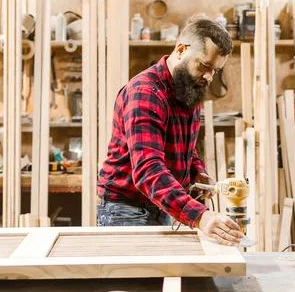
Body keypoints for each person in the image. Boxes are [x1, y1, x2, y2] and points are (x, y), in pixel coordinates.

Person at [97, 18, 244, 246]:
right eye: (204, 66)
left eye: (214, 70)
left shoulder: (188, 89)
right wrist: (201, 216)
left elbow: (185, 147)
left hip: (162, 205)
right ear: (181, 49)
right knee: (137, 282)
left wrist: (196, 171)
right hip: (127, 211)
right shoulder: (145, 93)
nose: (208, 77)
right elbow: (148, 169)